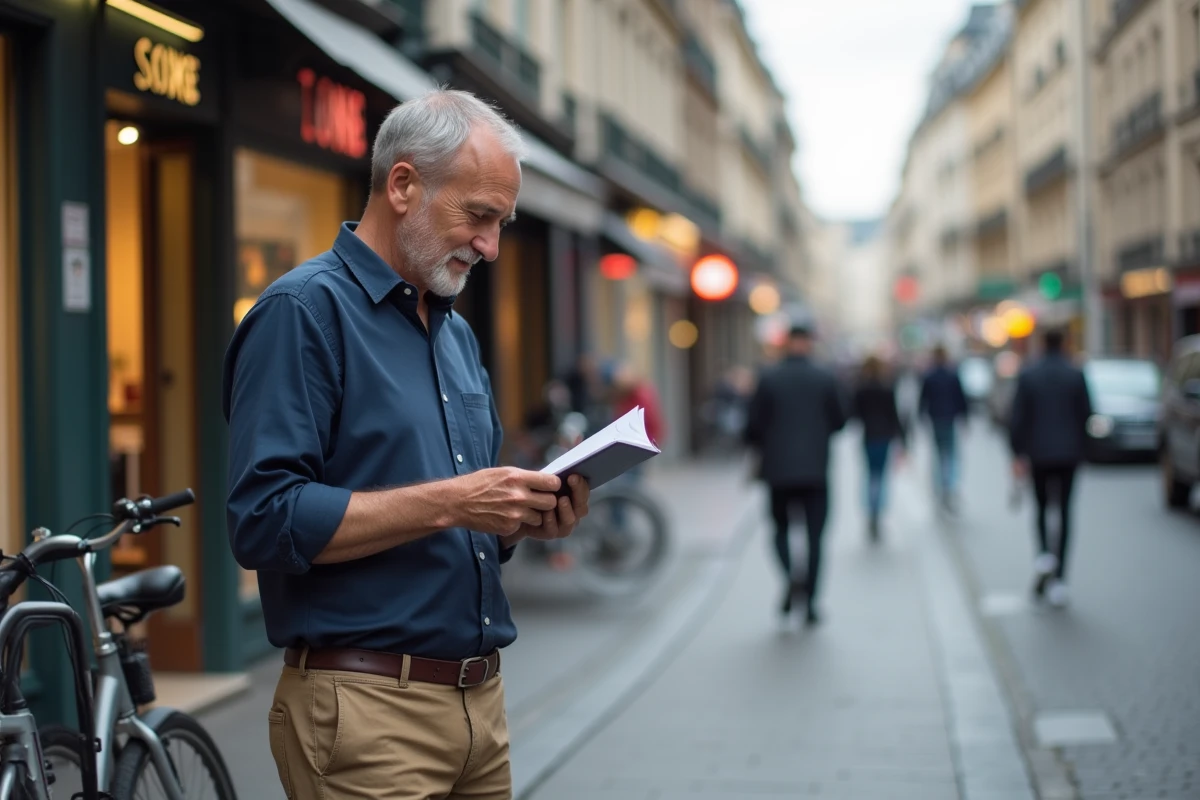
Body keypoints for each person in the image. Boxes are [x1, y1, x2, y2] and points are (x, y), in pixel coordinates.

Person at [222, 89, 591, 800]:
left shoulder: (454, 333)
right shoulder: (301, 314)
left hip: (480, 709)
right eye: (478, 216)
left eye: (502, 222)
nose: (491, 245)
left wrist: (522, 516)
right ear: (402, 184)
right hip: (365, 711)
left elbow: (463, 514)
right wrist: (455, 502)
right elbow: (264, 520)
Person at [745, 323, 847, 626]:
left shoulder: (768, 378)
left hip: (778, 471)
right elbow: (841, 420)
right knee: (815, 538)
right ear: (810, 343)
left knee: (780, 531)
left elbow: (752, 427)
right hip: (816, 470)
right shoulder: (825, 377)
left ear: (786, 343)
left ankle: (792, 578)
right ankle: (811, 602)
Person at [1007, 328, 1092, 607]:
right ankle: (1060, 578)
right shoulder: (1075, 374)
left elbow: (1017, 418)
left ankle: (1044, 554)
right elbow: (1087, 414)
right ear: (1065, 342)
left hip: (1039, 454)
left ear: (1042, 342)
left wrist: (1017, 454)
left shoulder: (1029, 374)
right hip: (1068, 455)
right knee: (1065, 512)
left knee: (1042, 507)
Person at [851, 354, 907, 542]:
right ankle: (877, 511)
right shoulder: (887, 387)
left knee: (870, 475)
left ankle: (871, 510)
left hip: (869, 436)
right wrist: (903, 440)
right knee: (880, 476)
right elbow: (894, 414)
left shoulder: (861, 388)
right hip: (884, 437)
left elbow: (854, 414)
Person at [918, 344, 969, 512]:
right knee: (950, 454)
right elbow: (961, 398)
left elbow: (923, 399)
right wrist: (964, 417)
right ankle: (948, 486)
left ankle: (941, 487)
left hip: (936, 418)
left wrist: (921, 417)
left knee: (939, 454)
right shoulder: (951, 374)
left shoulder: (930, 375)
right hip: (949, 418)